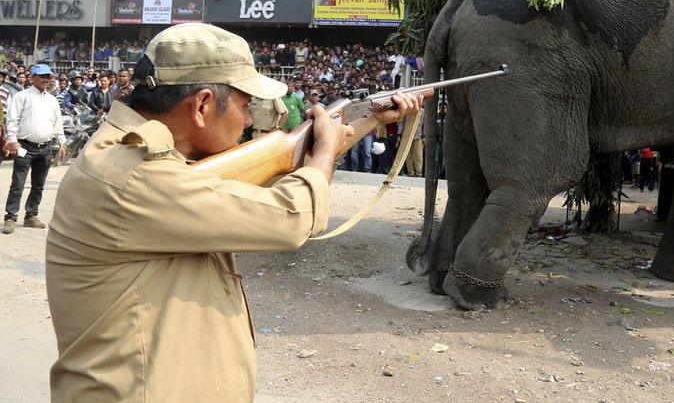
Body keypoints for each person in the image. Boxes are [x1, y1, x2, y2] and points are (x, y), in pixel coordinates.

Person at [45, 23, 427, 400]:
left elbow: (259, 176)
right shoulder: (137, 174)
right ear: (203, 105)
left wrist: (367, 121)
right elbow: (291, 216)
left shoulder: (143, 160)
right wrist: (324, 150)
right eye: (246, 105)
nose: (248, 121)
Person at [2, 64, 66, 234]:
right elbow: (12, 120)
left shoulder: (52, 100)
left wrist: (62, 141)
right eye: (42, 76)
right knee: (18, 184)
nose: (46, 79)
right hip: (25, 146)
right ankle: (10, 217)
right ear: (33, 78)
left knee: (39, 185)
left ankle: (31, 215)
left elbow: (57, 122)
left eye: (49, 77)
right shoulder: (22, 96)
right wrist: (13, 141)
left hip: (45, 148)